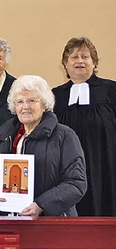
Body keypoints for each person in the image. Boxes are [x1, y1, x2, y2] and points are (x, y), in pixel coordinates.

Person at [0, 75, 87, 217]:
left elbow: (76, 183)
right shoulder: (4, 136)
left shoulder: (65, 136)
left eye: (32, 100)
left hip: (52, 223)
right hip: (10, 219)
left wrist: (41, 205)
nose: (25, 106)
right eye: (19, 102)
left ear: (44, 104)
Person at [52, 37, 116, 216]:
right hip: (67, 168)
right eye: (74, 57)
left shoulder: (111, 91)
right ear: (65, 63)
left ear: (94, 62)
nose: (79, 61)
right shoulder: (54, 96)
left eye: (85, 56)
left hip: (106, 166)